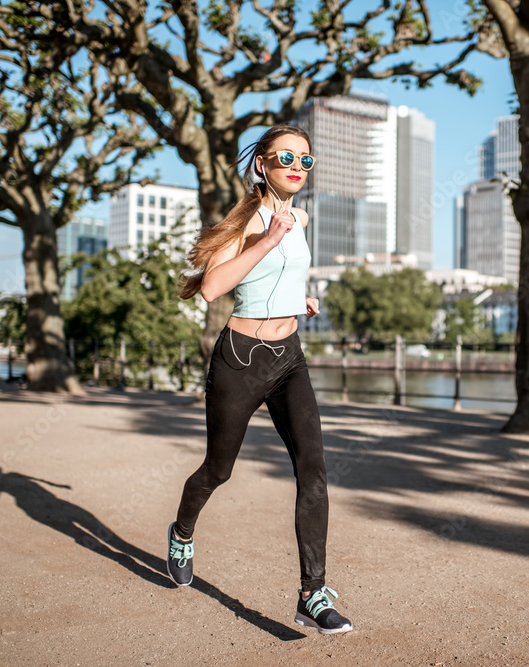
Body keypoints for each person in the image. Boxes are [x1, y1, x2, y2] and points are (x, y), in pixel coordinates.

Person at [166, 124, 353, 635]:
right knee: (218, 469)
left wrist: (302, 298)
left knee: (313, 468)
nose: (296, 167)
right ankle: (182, 531)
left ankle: (312, 594)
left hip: (289, 357)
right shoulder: (248, 220)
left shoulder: (303, 217)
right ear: (262, 165)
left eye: (305, 161)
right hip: (241, 359)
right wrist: (268, 238)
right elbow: (213, 287)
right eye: (286, 158)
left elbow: (285, 276)